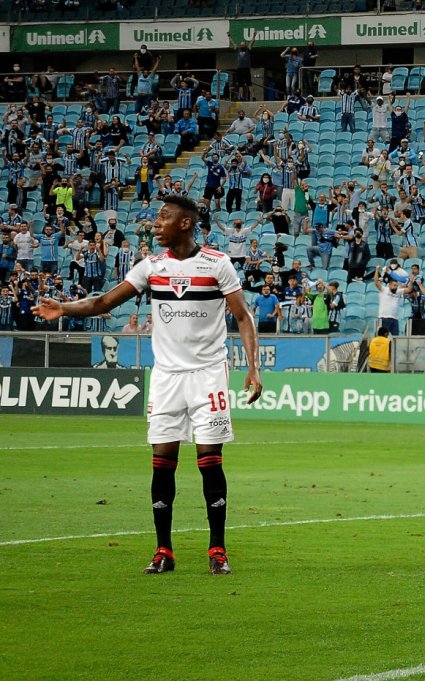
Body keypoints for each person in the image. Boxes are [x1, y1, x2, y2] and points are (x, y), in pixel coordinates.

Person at [32, 196, 262, 575]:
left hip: (208, 375)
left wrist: (253, 367)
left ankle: (218, 550)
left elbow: (243, 315)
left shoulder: (217, 263)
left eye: (164, 217)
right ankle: (163, 551)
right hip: (166, 379)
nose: (156, 223)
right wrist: (65, 307)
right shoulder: (151, 266)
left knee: (209, 463)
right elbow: (105, 302)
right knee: (162, 464)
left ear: (185, 223)